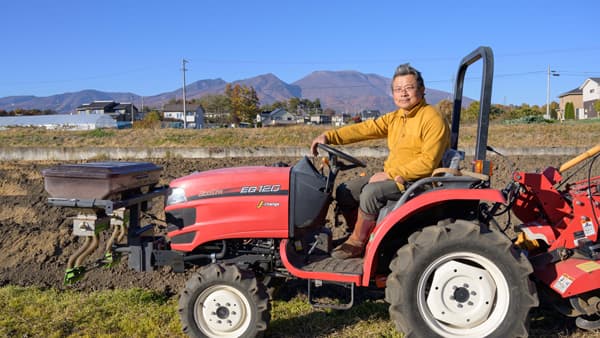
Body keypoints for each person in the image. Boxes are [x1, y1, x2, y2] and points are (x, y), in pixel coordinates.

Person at [310, 63, 450, 259]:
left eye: (409, 88)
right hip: (396, 179)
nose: (403, 94)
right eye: (398, 89)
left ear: (422, 89)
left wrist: (390, 174)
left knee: (371, 192)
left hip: (418, 182)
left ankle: (358, 243)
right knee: (345, 191)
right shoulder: (396, 117)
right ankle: (359, 233)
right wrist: (329, 136)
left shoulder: (432, 119)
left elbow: (427, 163)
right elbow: (365, 129)